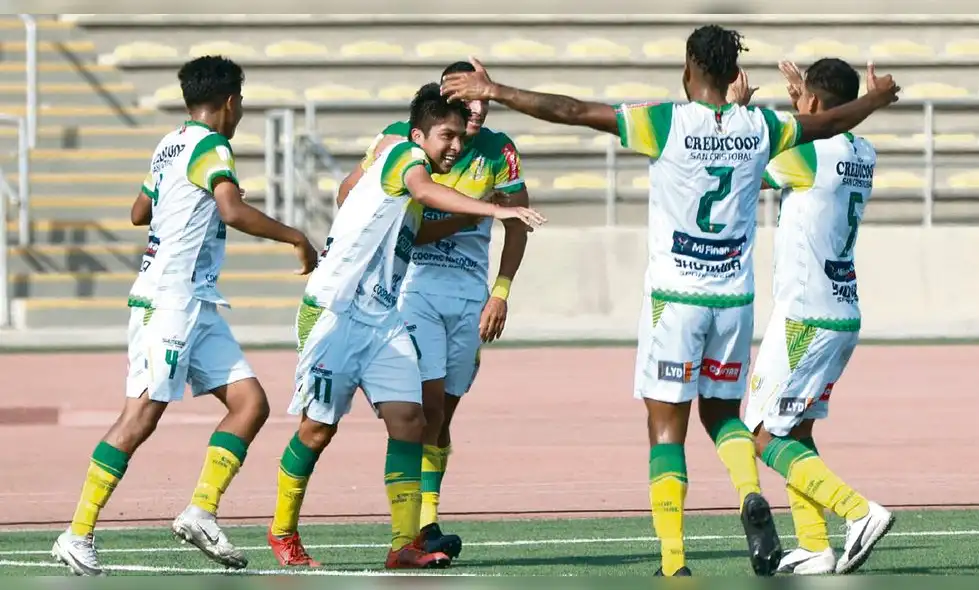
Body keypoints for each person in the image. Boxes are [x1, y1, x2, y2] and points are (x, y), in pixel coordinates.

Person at [441, 24, 900, 577]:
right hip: (736, 300)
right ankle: (750, 494)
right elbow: (828, 122)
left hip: (676, 296)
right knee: (727, 417)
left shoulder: (666, 121)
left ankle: (674, 561)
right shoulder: (762, 127)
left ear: (689, 70)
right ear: (734, 73)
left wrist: (498, 92)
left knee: (667, 430)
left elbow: (573, 111)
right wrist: (874, 99)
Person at [50, 55, 318, 576]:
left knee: (250, 403)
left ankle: (200, 510)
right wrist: (297, 237)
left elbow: (137, 212)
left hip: (197, 301)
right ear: (231, 102)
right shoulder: (213, 146)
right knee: (141, 415)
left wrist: (180, 201)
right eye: (240, 105)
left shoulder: (169, 143)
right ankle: (76, 533)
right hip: (169, 302)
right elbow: (232, 211)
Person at [266, 83, 545, 570]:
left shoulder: (418, 178)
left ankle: (403, 544)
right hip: (334, 314)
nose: (455, 146)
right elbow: (422, 189)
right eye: (446, 136)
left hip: (382, 320)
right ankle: (282, 532)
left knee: (413, 422)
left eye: (460, 137)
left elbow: (425, 223)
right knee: (317, 430)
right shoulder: (401, 155)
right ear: (420, 133)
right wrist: (495, 208)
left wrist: (481, 218)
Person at [742, 58, 893, 576]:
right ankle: (814, 544)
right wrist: (803, 107)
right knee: (797, 430)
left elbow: (747, 174)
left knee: (762, 432)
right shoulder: (864, 151)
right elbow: (829, 133)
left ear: (813, 105)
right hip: (842, 310)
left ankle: (858, 511)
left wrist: (742, 116)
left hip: (805, 314)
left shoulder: (805, 154)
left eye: (802, 99)